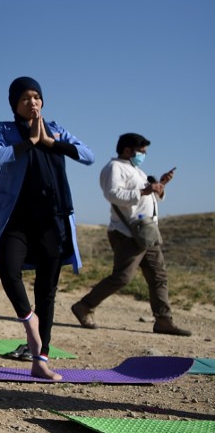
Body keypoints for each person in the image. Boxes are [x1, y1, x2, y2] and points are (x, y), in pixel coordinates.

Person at [0, 77, 94, 380]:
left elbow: (88, 155)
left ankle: (40, 359)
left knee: (47, 292)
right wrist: (28, 143)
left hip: (53, 220)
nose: (32, 103)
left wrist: (51, 142)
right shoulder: (4, 130)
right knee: (8, 270)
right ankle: (28, 319)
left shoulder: (57, 128)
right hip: (16, 219)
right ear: (15, 105)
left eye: (36, 97)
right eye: (24, 99)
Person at [71, 133, 190, 336]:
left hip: (147, 232)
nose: (143, 155)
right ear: (127, 150)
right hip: (127, 233)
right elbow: (112, 194)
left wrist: (160, 186)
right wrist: (144, 191)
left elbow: (147, 198)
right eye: (141, 151)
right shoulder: (114, 168)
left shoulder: (138, 171)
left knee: (158, 276)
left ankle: (163, 320)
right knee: (122, 277)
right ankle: (84, 306)